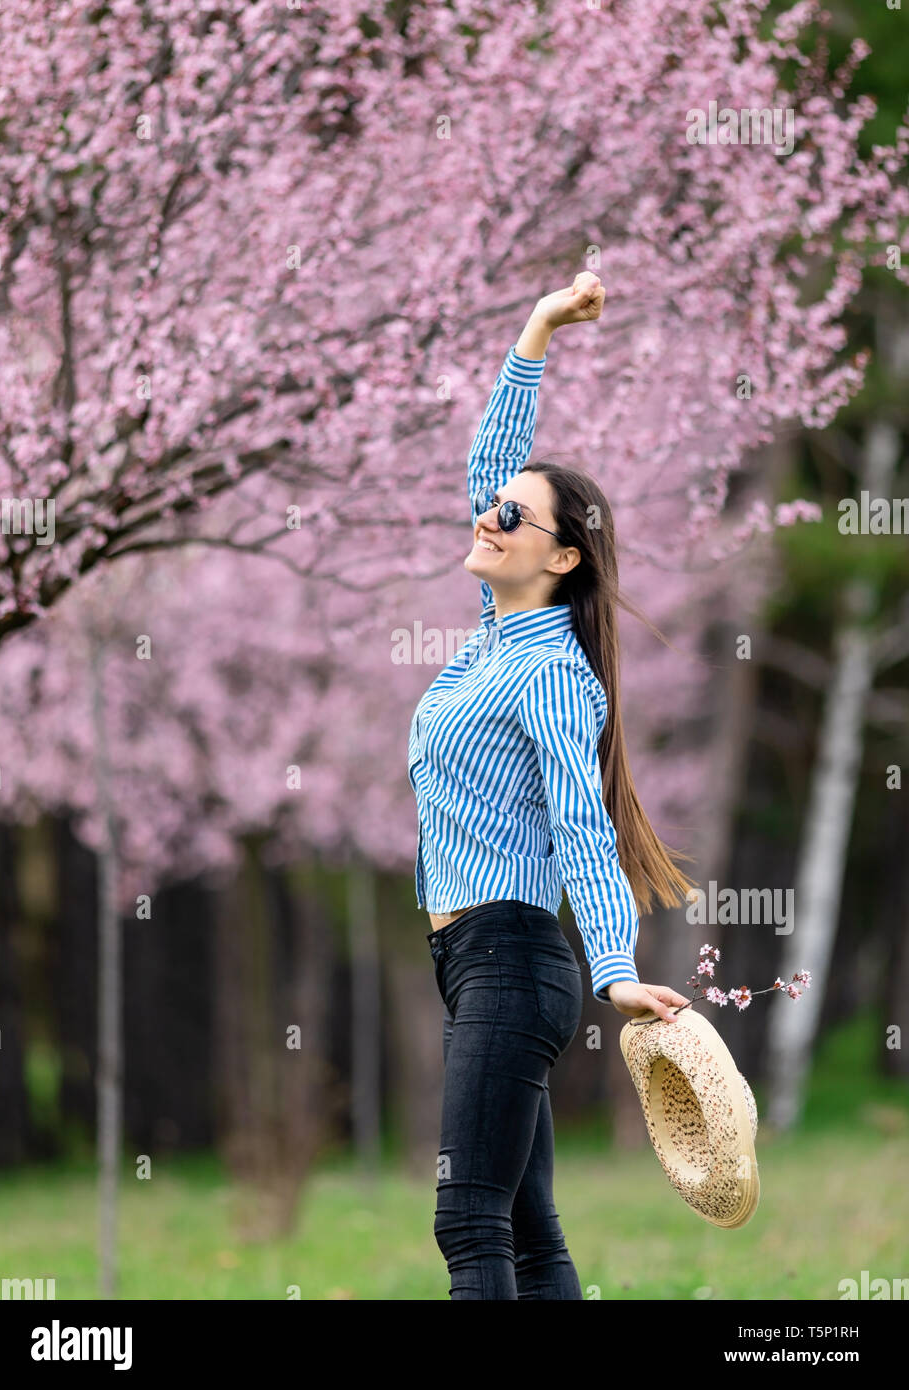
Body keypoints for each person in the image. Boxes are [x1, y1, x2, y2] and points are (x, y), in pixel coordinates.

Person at [407, 271, 694, 1300]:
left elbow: (581, 826)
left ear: (562, 556)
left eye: (512, 518)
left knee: (466, 1220)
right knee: (528, 1227)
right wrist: (535, 330)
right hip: (468, 959)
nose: (488, 516)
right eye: (492, 508)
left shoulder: (551, 676)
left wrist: (614, 967)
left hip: (514, 959)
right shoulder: (495, 638)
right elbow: (493, 462)